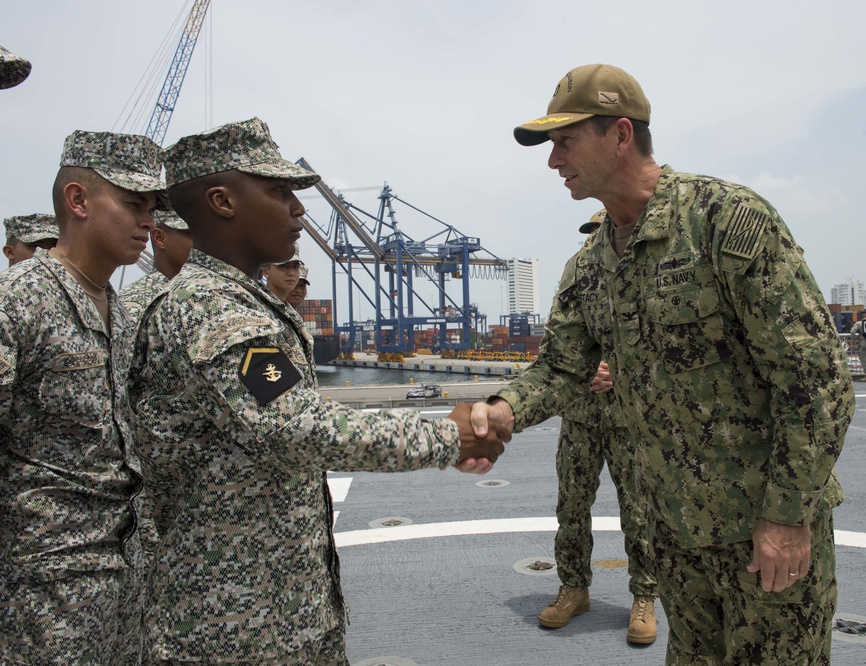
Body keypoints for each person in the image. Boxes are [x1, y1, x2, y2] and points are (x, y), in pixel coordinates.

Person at [474, 64, 854, 664]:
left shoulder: (723, 221)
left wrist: (787, 517)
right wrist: (499, 410)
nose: (553, 160)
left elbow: (817, 383)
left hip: (763, 532)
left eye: (565, 141)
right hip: (675, 536)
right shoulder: (589, 267)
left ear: (621, 135)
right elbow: (561, 369)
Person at [128, 117, 505, 664]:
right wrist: (447, 436)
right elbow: (293, 421)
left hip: (280, 610)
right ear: (221, 201)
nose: (299, 209)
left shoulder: (242, 304)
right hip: (235, 629)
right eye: (279, 192)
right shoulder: (211, 308)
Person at [0, 130, 164, 665]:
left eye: (153, 208)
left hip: (126, 579)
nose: (149, 221)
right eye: (134, 204)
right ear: (78, 200)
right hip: (45, 590)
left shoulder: (121, 309)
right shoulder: (21, 301)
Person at [540, 355, 658, 644]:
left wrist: (622, 372)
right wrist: (583, 372)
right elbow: (553, 351)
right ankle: (574, 587)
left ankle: (644, 596)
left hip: (629, 415)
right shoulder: (570, 306)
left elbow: (661, 344)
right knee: (571, 508)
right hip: (579, 416)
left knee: (638, 511)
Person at [119, 208, 193, 322]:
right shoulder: (137, 304)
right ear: (159, 238)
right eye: (191, 234)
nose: (201, 241)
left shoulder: (204, 289)